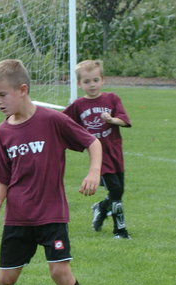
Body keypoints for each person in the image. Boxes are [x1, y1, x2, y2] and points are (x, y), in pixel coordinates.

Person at [0, 59, 102, 285]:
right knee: (7, 277)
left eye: (2, 95)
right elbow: (4, 175)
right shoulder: (3, 132)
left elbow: (93, 142)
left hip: (52, 214)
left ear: (23, 89)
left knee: (60, 272)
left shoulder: (52, 120)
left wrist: (93, 173)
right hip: (18, 217)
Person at [63, 59, 132, 239]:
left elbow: (124, 120)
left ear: (102, 80)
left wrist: (111, 120)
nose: (92, 84)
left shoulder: (112, 99)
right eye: (87, 81)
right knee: (115, 190)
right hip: (99, 156)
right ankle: (120, 231)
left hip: (115, 152)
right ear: (79, 84)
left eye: (95, 80)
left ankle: (100, 208)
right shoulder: (78, 105)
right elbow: (62, 122)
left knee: (118, 190)